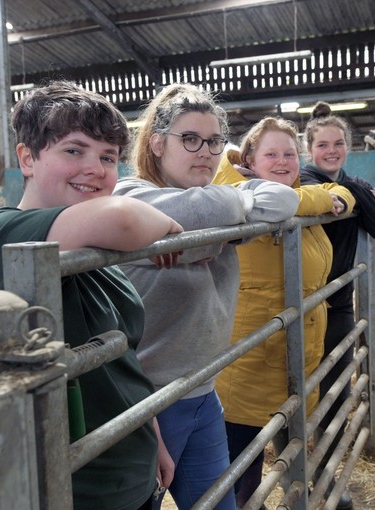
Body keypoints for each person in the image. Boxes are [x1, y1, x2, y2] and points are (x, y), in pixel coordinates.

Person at [0, 80, 183, 510]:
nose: (96, 169)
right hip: (71, 490)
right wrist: (165, 224)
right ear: (27, 158)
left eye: (108, 157)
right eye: (74, 150)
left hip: (132, 473)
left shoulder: (97, 258)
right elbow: (122, 217)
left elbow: (125, 359)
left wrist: (152, 437)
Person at [113, 83, 299, 510]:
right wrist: (232, 217)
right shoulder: (130, 195)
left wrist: (217, 220)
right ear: (157, 143)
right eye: (190, 139)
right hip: (149, 402)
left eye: (215, 141)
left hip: (204, 390)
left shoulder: (217, 196)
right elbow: (198, 212)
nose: (206, 152)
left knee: (218, 503)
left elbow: (284, 197)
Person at [211, 116, 356, 507]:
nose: (282, 161)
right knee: (240, 471)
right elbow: (270, 198)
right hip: (250, 357)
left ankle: (300, 494)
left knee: (284, 449)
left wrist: (329, 197)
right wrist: (325, 199)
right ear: (249, 160)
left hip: (291, 353)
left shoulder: (298, 197)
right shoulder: (235, 194)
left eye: (289, 153)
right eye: (270, 154)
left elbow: (341, 192)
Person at [300, 101, 375, 509]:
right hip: (299, 305)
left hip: (336, 304)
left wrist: (356, 191)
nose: (331, 150)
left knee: (334, 393)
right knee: (296, 396)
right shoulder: (303, 181)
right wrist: (358, 191)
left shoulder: (350, 186)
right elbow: (319, 198)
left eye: (338, 143)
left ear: (347, 146)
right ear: (310, 149)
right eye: (323, 144)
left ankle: (324, 477)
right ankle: (297, 477)